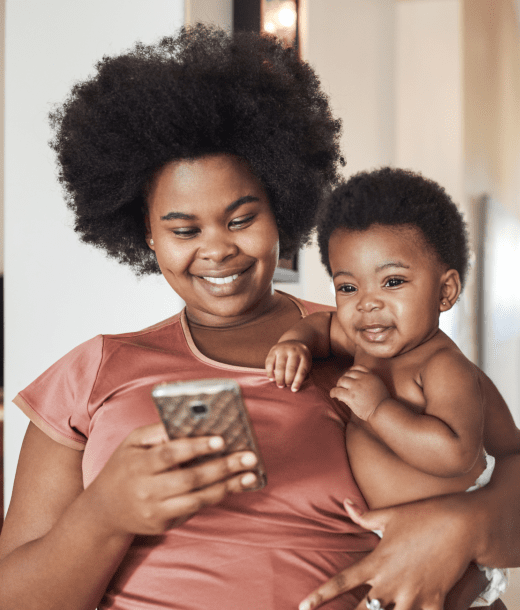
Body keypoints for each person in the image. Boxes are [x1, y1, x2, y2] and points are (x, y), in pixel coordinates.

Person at [0, 25, 519, 610]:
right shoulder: (94, 371)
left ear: (283, 210)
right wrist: (104, 515)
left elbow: (502, 464)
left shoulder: (369, 339)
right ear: (146, 233)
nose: (217, 249)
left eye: (242, 219)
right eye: (183, 229)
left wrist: (458, 528)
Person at [265, 167, 513, 609]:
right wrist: (295, 342)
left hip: (452, 554)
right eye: (348, 286)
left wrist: (379, 410)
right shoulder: (367, 342)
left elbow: (455, 453)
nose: (368, 302)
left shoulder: (442, 367)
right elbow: (323, 327)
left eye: (393, 281)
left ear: (445, 291)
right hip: (394, 539)